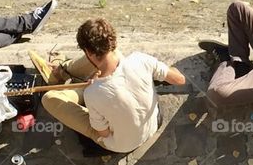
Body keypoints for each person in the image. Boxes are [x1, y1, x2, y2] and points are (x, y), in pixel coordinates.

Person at [40, 18, 185, 154]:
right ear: (113, 40)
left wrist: (93, 90)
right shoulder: (141, 60)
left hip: (121, 145)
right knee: (106, 58)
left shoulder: (92, 94)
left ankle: (64, 75)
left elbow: (104, 133)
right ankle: (63, 71)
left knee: (48, 98)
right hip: (154, 124)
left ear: (87, 52)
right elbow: (179, 80)